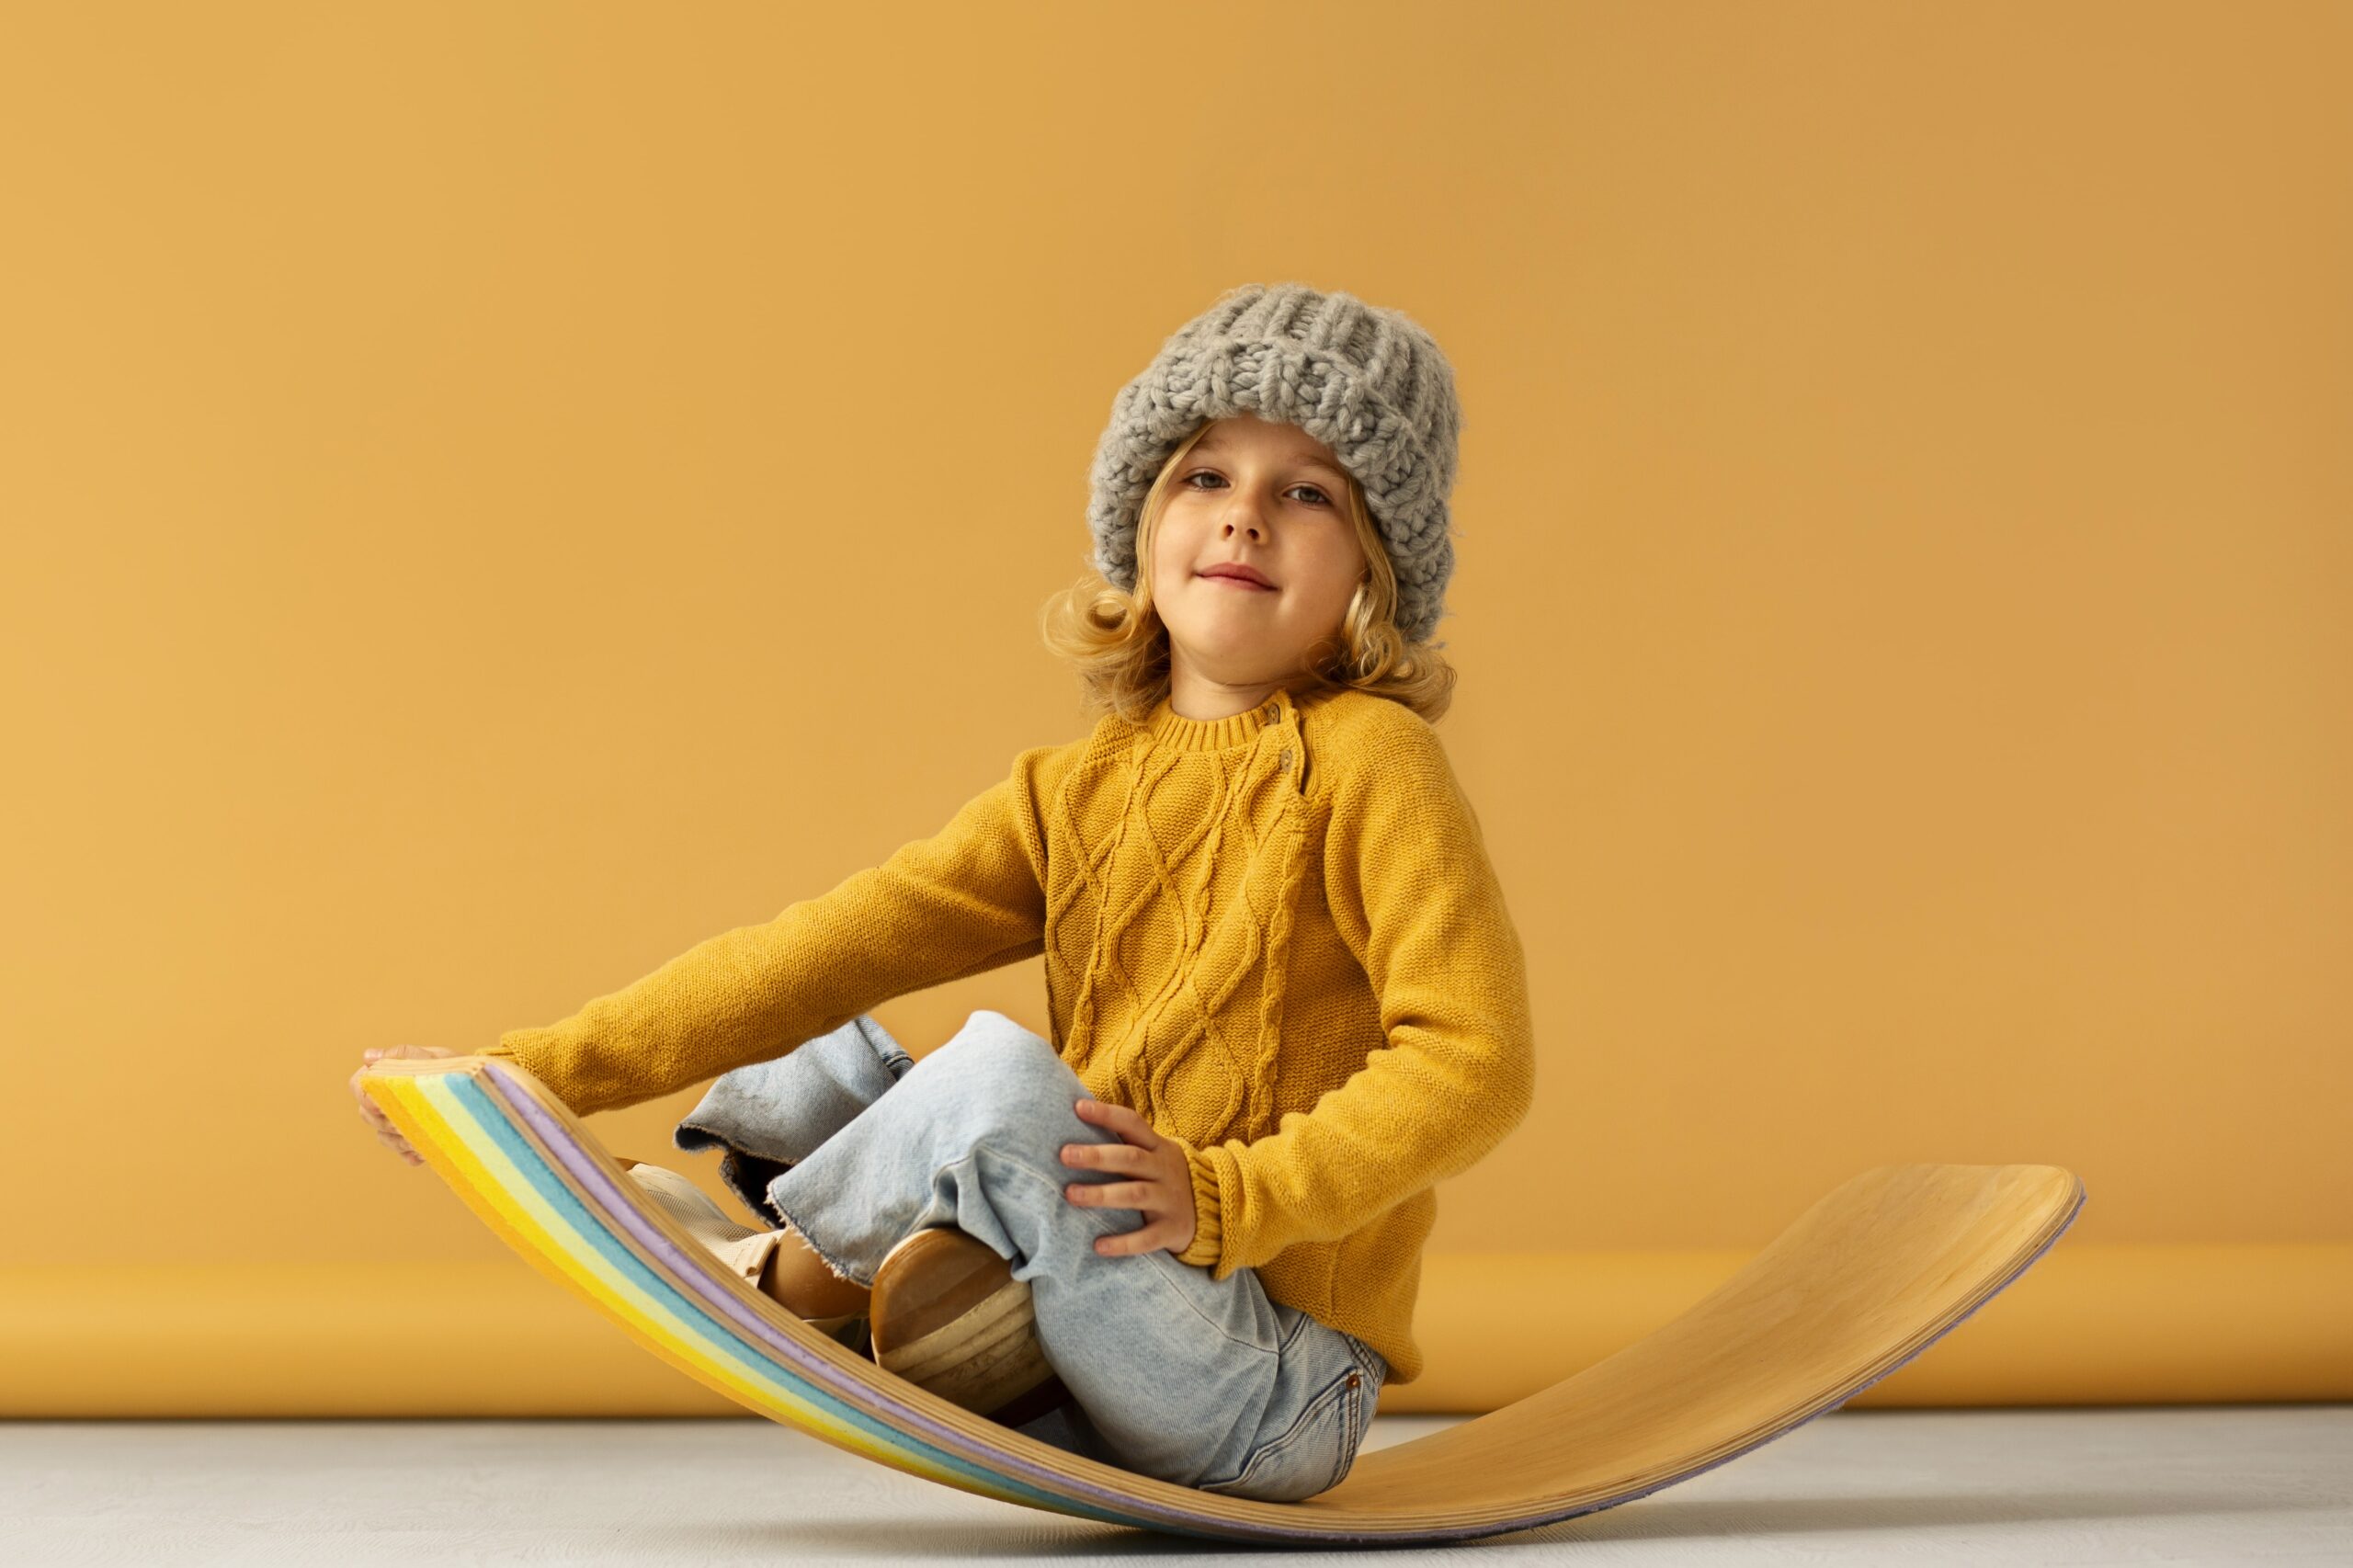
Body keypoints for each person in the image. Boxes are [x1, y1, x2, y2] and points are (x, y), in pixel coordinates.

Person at [351, 281, 1535, 1503]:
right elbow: (823, 947)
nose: (1245, 520)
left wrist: (1237, 1197)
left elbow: (1477, 1059)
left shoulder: (1373, 761)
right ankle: (957, 1319)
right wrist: (533, 1072)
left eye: (1307, 492)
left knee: (997, 1085)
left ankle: (802, 1279)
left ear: (1370, 568)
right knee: (818, 1039)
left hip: (1268, 1384)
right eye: (1205, 477)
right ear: (1139, 518)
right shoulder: (1076, 790)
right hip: (1097, 1326)